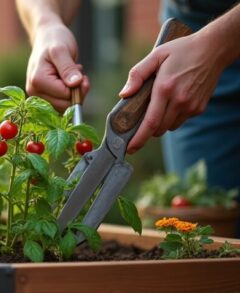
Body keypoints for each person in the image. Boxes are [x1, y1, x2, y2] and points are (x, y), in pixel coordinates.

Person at [16, 0, 240, 235]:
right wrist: (45, 25)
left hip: (213, 41)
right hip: (190, 40)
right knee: (213, 230)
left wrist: (216, 44)